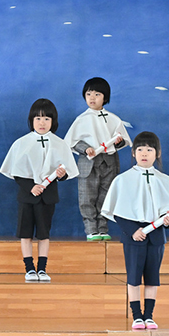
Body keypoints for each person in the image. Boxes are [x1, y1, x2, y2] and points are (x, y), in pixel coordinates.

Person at [101, 132, 169, 330]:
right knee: (133, 277)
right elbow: (118, 212)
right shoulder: (123, 180)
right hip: (133, 237)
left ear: (157, 153)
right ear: (133, 153)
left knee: (152, 277)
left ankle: (149, 316)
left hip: (156, 237)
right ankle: (137, 316)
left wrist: (167, 220)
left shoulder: (165, 180)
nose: (144, 153)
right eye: (140, 149)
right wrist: (133, 231)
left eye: (149, 149)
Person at [0, 99, 79, 282]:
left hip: (47, 196)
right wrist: (31, 187)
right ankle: (29, 269)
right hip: (27, 196)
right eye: (38, 118)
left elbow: (65, 172)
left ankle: (42, 269)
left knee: (44, 234)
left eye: (46, 119)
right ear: (31, 120)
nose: (42, 123)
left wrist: (61, 174)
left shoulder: (60, 144)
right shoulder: (22, 143)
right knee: (25, 233)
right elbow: (16, 172)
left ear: (53, 121)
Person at [64, 77, 131, 241]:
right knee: (87, 196)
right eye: (89, 94)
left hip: (109, 162)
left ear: (105, 97)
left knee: (105, 195)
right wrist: (85, 148)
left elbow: (123, 140)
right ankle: (91, 229)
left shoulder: (114, 119)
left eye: (97, 94)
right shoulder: (81, 119)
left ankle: (102, 228)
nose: (92, 98)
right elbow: (72, 142)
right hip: (89, 162)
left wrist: (118, 141)